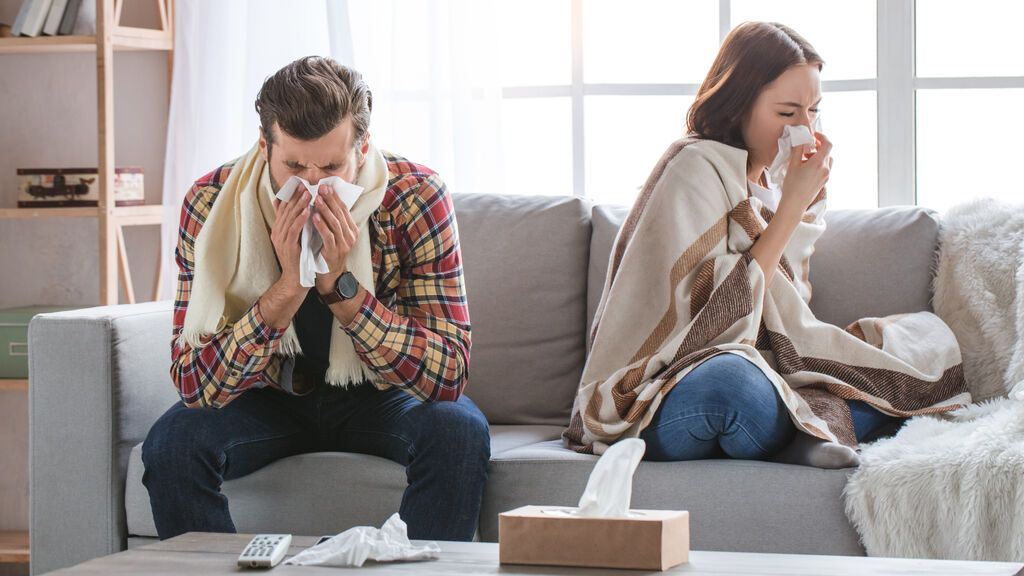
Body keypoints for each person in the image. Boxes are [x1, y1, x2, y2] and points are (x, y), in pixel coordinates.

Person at [563, 22, 970, 468]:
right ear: (738, 106)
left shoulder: (782, 186)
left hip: (764, 367)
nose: (804, 128)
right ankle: (808, 428)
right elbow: (705, 321)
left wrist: (798, 200)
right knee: (730, 383)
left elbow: (784, 313)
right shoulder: (695, 166)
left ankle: (802, 428)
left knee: (919, 338)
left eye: (813, 111)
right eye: (787, 113)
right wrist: (792, 206)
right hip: (660, 389)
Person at [142, 56, 489, 541]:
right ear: (265, 145)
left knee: (458, 431)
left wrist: (337, 286)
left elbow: (448, 371)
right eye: (293, 165)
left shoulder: (415, 196)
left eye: (330, 166)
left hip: (380, 397)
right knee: (173, 442)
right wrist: (286, 289)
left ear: (363, 147)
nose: (309, 185)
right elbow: (195, 384)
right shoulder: (211, 201)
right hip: (265, 397)